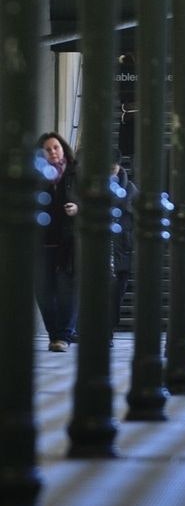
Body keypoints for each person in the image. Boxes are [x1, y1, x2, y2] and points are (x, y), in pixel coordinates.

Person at [35, 132, 79, 352]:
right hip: (41, 243)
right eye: (48, 149)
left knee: (66, 291)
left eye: (56, 147)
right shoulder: (35, 175)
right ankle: (54, 335)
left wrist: (78, 209)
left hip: (68, 242)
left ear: (63, 149)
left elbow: (92, 199)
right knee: (43, 292)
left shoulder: (75, 173)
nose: (53, 152)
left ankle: (63, 336)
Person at [109, 149, 138, 340]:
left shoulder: (131, 190)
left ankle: (108, 329)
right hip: (100, 247)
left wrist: (131, 241)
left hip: (122, 249)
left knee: (116, 295)